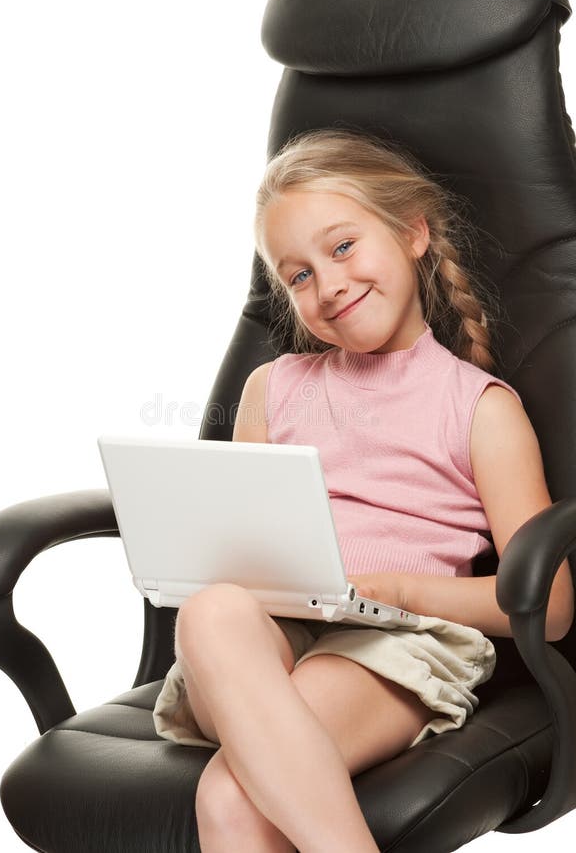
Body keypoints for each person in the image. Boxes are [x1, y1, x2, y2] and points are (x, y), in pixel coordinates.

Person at [153, 127, 575, 853]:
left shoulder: (478, 407)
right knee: (214, 609)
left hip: (393, 641)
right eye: (299, 275)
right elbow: (236, 546)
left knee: (230, 797)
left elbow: (553, 606)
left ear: (413, 232)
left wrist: (394, 589)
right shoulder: (271, 388)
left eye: (342, 247)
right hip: (266, 640)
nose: (329, 284)